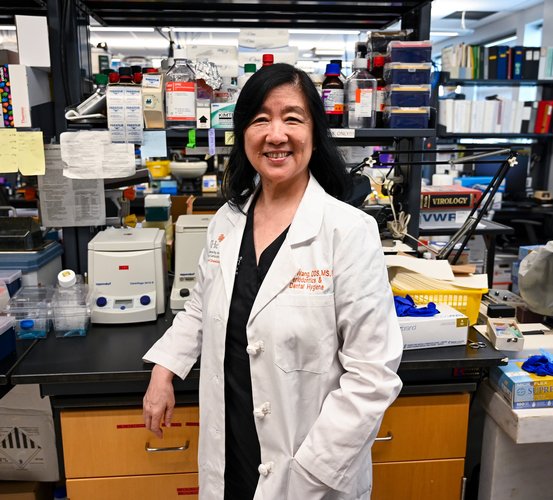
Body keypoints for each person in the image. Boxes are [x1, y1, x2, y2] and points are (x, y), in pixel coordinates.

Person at [142, 63, 403, 500]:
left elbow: (372, 375)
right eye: (260, 119)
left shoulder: (348, 230)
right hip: (232, 449)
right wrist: (164, 371)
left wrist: (312, 470)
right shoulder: (226, 220)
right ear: (243, 134)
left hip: (309, 468)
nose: (275, 134)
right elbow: (202, 308)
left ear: (315, 132)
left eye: (292, 118)